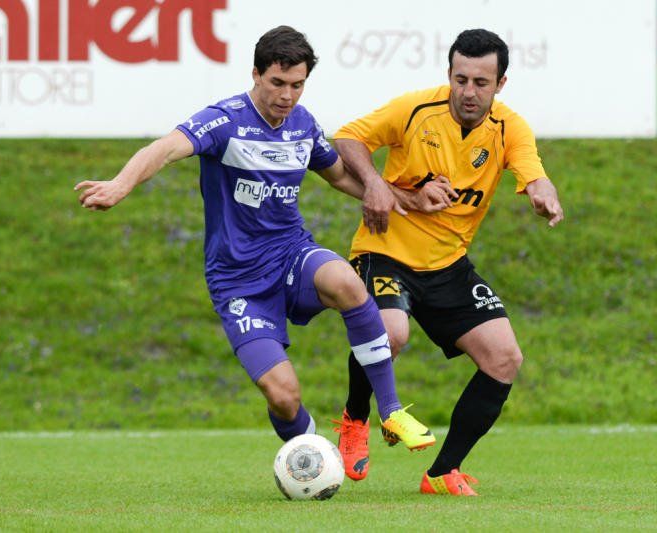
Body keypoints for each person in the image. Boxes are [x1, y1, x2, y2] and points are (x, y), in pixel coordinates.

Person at [74, 25, 436, 452]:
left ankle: (389, 410)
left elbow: (340, 175)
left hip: (291, 254)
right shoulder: (225, 120)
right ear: (256, 74)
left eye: (297, 85)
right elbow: (165, 148)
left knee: (346, 281)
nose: (287, 95)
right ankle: (312, 453)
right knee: (284, 397)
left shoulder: (302, 124)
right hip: (238, 280)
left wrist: (404, 198)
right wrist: (120, 185)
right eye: (277, 83)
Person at [331, 28, 564, 496]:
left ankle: (441, 474)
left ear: (500, 84)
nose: (468, 92)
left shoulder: (509, 128)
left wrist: (544, 193)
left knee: (504, 358)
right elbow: (346, 139)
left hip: (448, 265)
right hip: (385, 251)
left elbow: (534, 173)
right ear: (449, 75)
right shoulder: (416, 110)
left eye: (481, 82)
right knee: (391, 333)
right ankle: (355, 418)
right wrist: (376, 185)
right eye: (461, 80)